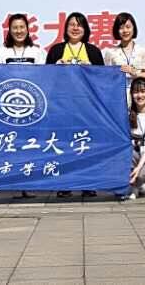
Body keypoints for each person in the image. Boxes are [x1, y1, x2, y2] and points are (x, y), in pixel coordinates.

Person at [45, 12, 103, 198]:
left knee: (87, 145)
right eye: (71, 24)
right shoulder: (56, 50)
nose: (75, 28)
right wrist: (56, 67)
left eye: (79, 25)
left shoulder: (93, 51)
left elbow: (103, 81)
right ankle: (65, 184)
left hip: (87, 108)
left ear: (85, 29)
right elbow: (45, 79)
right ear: (66, 28)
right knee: (64, 146)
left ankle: (89, 183)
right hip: (62, 108)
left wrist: (91, 69)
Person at [0, 13, 45, 199]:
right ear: (9, 30)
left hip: (33, 107)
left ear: (28, 29)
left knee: (30, 145)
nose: (18, 31)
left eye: (22, 27)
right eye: (15, 28)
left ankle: (30, 183)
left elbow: (45, 77)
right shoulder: (2, 52)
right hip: (8, 106)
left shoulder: (37, 52)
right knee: (13, 145)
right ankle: (16, 183)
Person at [103, 12, 145, 108]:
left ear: (133, 28)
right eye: (121, 28)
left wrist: (134, 73)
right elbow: (106, 77)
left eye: (128, 27)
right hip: (117, 96)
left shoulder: (142, 51)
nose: (125, 30)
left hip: (139, 96)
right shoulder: (111, 53)